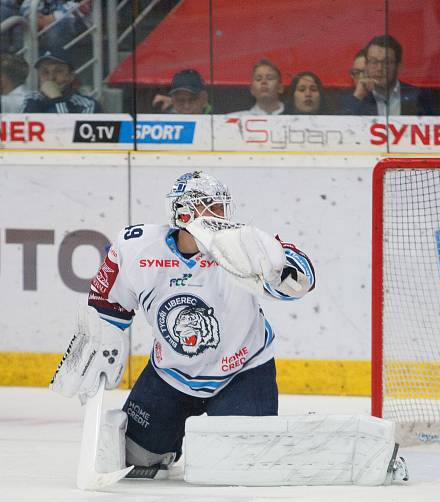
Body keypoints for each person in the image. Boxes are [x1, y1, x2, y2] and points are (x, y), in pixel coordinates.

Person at [50, 170, 316, 473]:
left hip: (243, 373)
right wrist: (101, 338)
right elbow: (107, 304)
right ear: (182, 212)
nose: (219, 216)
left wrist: (279, 269)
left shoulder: (243, 246)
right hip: (170, 375)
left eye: (220, 207)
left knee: (242, 466)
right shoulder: (136, 247)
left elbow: (300, 281)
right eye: (209, 207)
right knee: (138, 460)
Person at [340, 34, 434, 115]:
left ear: (399, 67)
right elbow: (339, 128)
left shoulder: (418, 95)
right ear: (366, 65)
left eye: (386, 62)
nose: (379, 68)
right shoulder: (355, 98)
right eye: (373, 61)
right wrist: (358, 96)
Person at [22, 48, 102, 113]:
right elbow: (26, 130)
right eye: (45, 72)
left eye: (58, 71)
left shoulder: (87, 105)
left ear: (71, 76)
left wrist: (56, 99)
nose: (51, 78)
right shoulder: (32, 99)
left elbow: (66, 131)